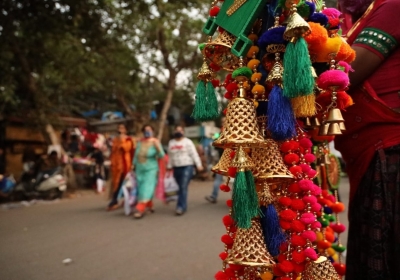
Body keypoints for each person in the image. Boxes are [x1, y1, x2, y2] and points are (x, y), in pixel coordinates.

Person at [335, 1, 400, 279]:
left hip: (389, 151)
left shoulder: (392, 6)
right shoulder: (359, 20)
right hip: (369, 153)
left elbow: (346, 73)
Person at [167, 125, 203, 215]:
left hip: (187, 166)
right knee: (181, 187)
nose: (179, 132)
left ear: (183, 132)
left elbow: (194, 154)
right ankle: (183, 205)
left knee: (183, 186)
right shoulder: (171, 143)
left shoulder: (188, 142)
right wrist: (169, 165)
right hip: (176, 167)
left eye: (181, 130)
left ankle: (180, 207)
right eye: (177, 130)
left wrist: (198, 164)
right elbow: (170, 156)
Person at [132, 125, 164, 219]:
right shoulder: (140, 142)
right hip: (139, 169)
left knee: (146, 188)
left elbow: (161, 155)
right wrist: (133, 165)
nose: (147, 131)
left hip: (151, 169)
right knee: (141, 187)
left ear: (153, 131)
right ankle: (149, 206)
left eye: (149, 130)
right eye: (145, 130)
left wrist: (157, 146)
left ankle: (140, 209)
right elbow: (136, 155)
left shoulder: (155, 142)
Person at [107, 124, 135, 211]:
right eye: (119, 128)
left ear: (126, 130)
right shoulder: (115, 139)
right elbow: (113, 151)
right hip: (116, 165)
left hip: (125, 165)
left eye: (122, 128)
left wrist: (122, 140)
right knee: (116, 183)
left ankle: (115, 200)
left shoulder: (129, 139)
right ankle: (116, 199)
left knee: (124, 183)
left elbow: (126, 148)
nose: (120, 130)